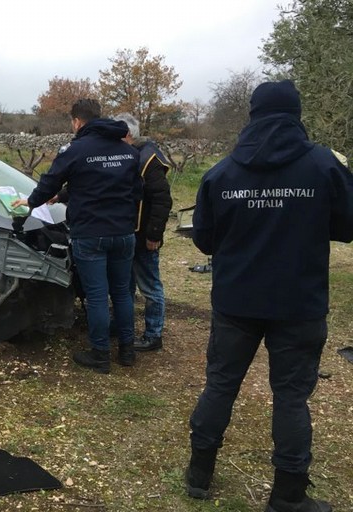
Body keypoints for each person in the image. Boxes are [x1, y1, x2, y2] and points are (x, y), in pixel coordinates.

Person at [185, 80, 353, 512]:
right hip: (298, 304)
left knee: (220, 385)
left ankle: (198, 473)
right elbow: (348, 226)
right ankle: (287, 496)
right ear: (297, 114)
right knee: (291, 398)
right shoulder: (323, 166)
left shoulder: (222, 172)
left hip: (236, 302)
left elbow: (204, 239)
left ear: (252, 114)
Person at [12, 99, 142, 373]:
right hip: (123, 234)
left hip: (90, 234)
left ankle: (100, 355)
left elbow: (51, 180)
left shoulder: (75, 149)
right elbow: (137, 190)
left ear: (77, 121)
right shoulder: (127, 151)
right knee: (122, 293)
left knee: (96, 296)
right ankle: (128, 351)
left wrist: (32, 201)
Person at [113, 113, 173, 351]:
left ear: (127, 135)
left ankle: (153, 334)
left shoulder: (149, 159)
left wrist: (154, 235)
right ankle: (121, 324)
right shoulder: (129, 155)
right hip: (127, 234)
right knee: (124, 284)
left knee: (150, 287)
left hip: (144, 236)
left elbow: (162, 200)